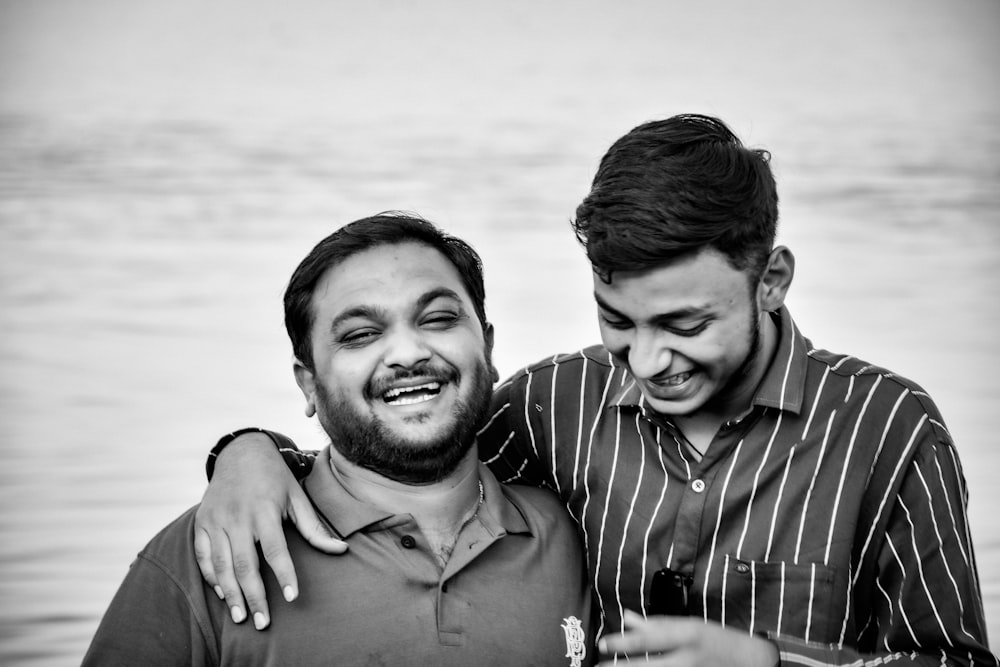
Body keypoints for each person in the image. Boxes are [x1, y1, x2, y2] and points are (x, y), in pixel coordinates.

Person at [194, 116, 996, 665]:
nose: (646, 360)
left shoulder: (889, 427)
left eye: (684, 324)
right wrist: (249, 453)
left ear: (772, 280)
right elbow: (407, 457)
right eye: (617, 319)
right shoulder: (554, 402)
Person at [83, 214, 595, 666]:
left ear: (487, 344)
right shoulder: (220, 546)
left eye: (437, 319)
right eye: (359, 335)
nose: (407, 352)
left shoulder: (574, 534)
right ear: (309, 383)